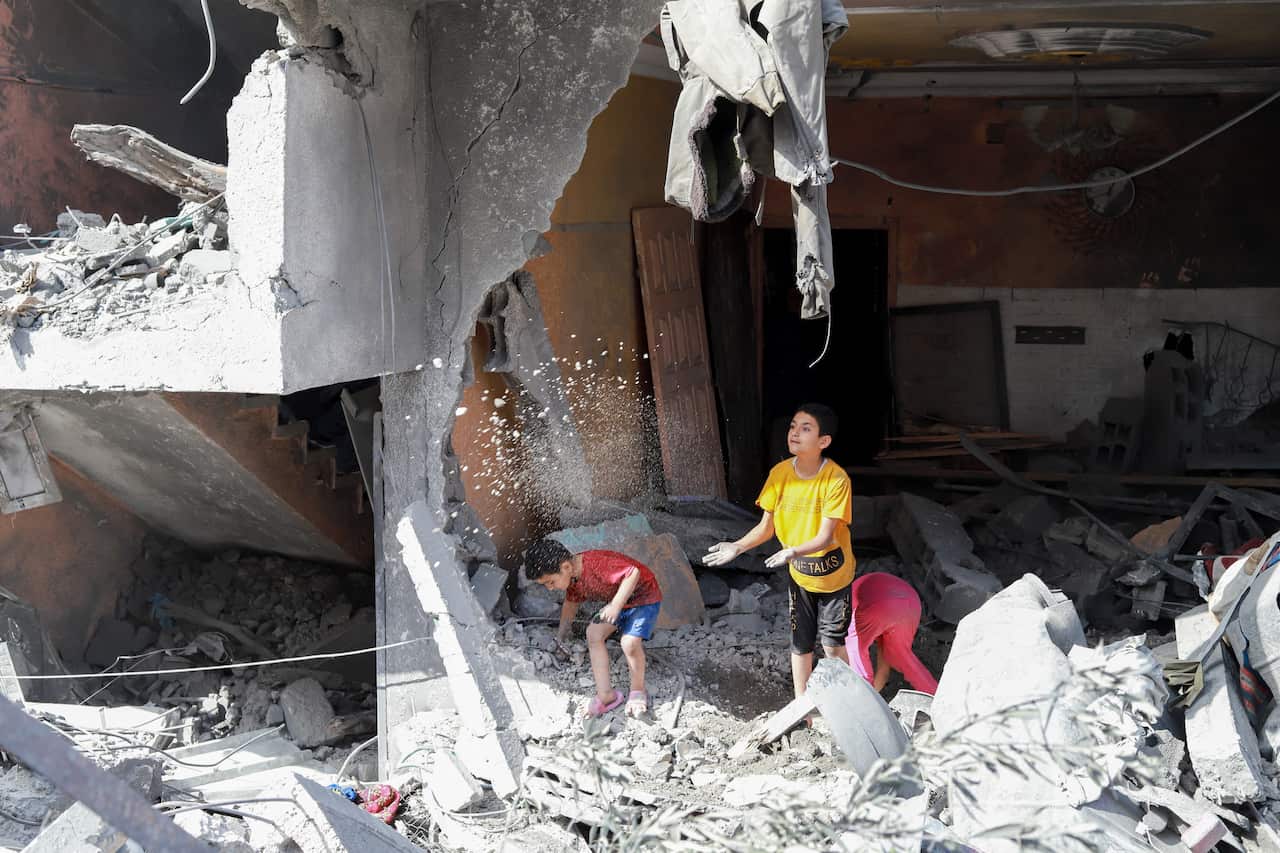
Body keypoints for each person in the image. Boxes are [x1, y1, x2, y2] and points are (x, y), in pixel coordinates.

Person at [704, 403, 855, 698]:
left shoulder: (836, 480)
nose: (795, 433)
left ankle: (848, 701)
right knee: (800, 644)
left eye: (806, 428)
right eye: (793, 426)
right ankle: (803, 707)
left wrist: (792, 551)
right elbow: (766, 528)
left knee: (832, 645)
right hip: (800, 576)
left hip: (834, 577)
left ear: (824, 442)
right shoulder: (779, 474)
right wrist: (737, 546)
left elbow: (825, 537)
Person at [525, 539, 663, 717]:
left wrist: (615, 606)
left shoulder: (596, 563)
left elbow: (632, 573)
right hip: (618, 604)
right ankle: (607, 696)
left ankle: (637, 692)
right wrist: (561, 635)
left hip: (644, 600)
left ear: (566, 567)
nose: (550, 589)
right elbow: (570, 604)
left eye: (551, 582)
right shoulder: (573, 578)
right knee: (593, 633)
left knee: (629, 643)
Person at [847, 572, 938, 695]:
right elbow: (883, 672)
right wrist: (874, 696)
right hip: (911, 604)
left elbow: (846, 654)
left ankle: (861, 701)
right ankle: (937, 697)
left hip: (878, 606)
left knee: (855, 651)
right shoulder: (878, 627)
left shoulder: (849, 612)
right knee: (903, 658)